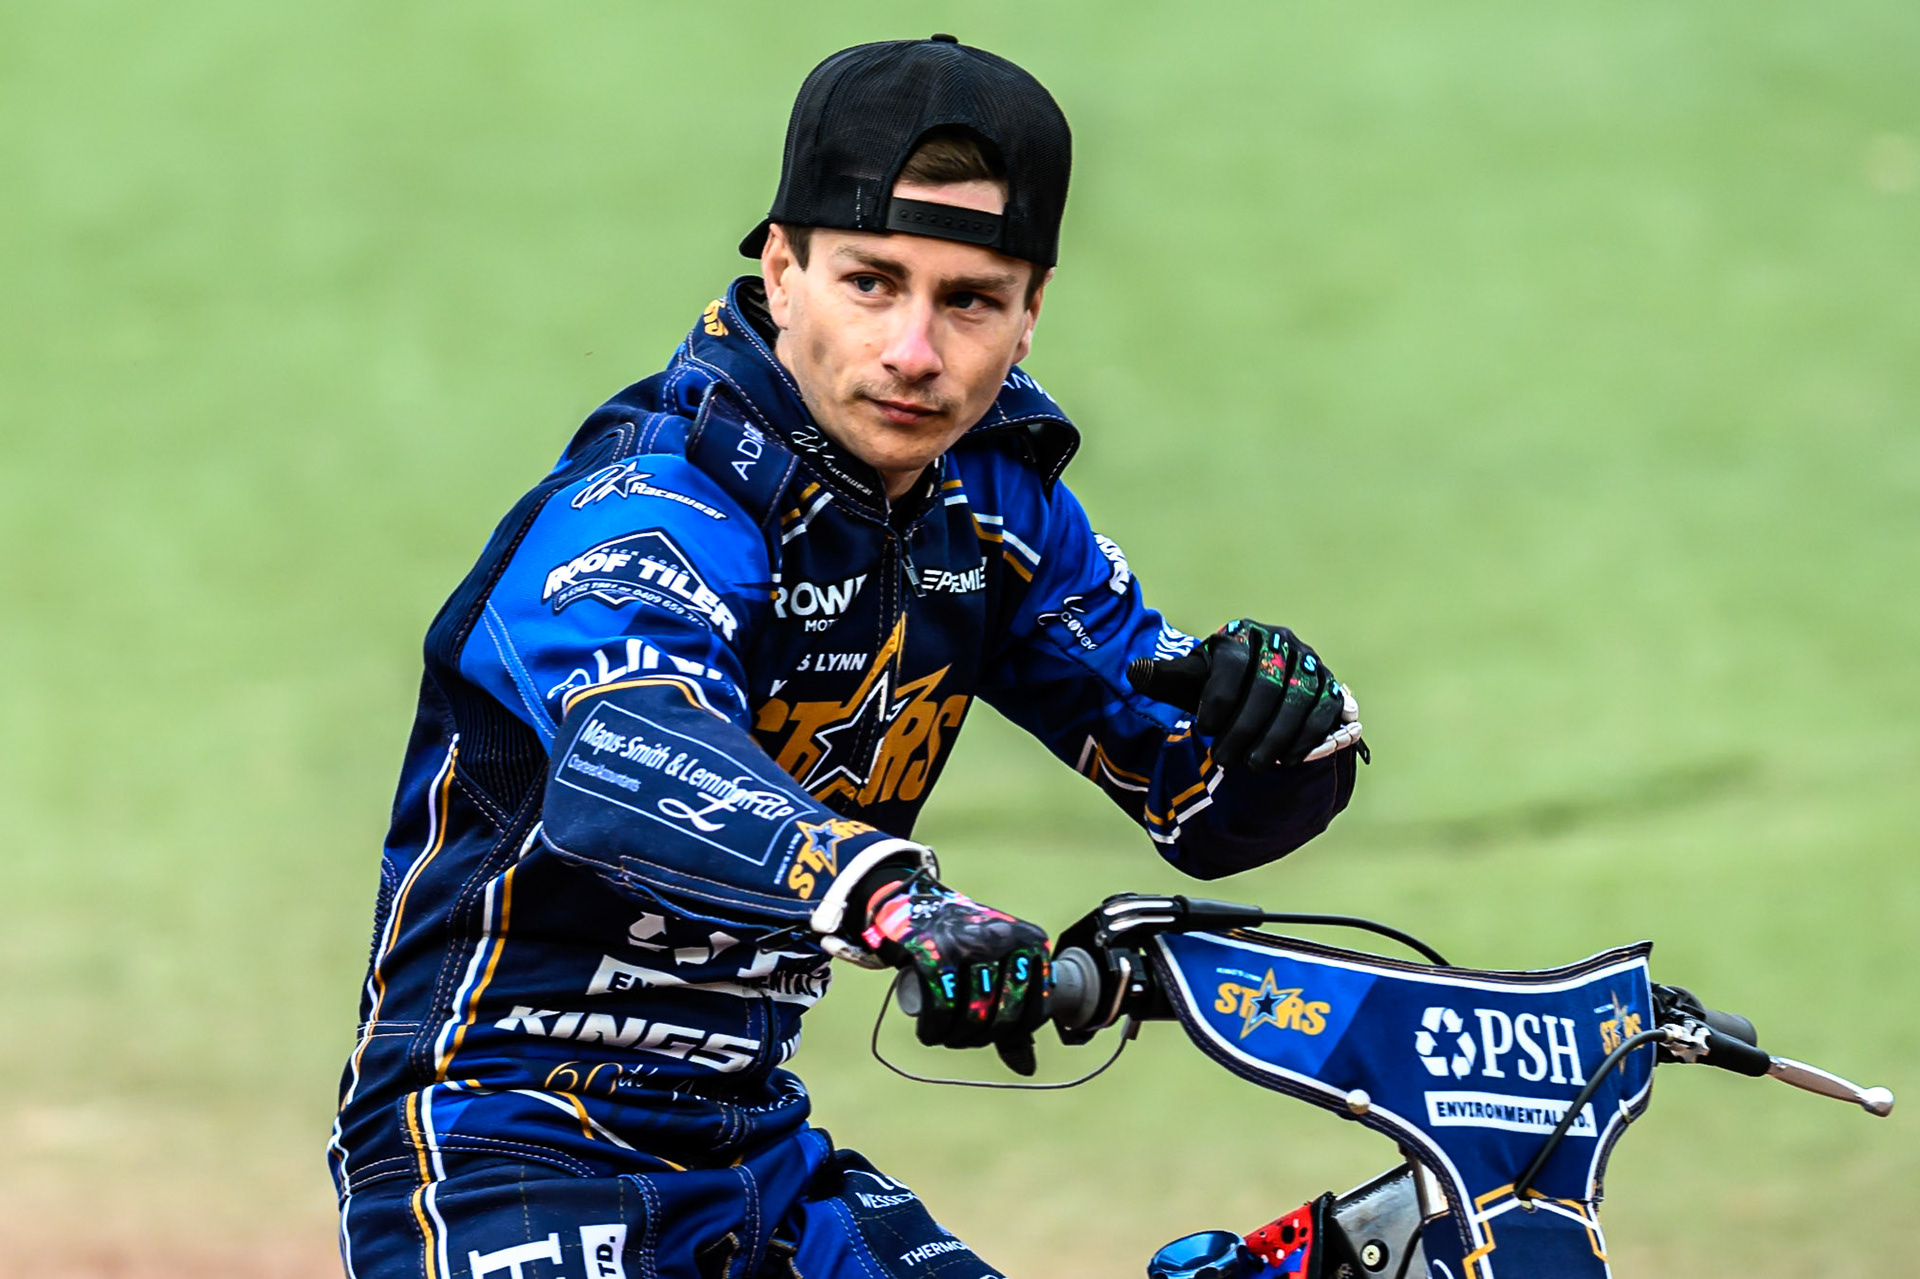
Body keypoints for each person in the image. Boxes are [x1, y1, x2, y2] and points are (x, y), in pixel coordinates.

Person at [329, 35, 1365, 1279]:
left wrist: (1292, 733)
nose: (915, 352)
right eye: (872, 282)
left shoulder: (999, 517)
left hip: (753, 1153)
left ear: (1031, 313)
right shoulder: (654, 496)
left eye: (968, 299)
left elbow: (1201, 805)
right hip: (501, 1146)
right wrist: (890, 896)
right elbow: (624, 754)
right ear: (781, 274)